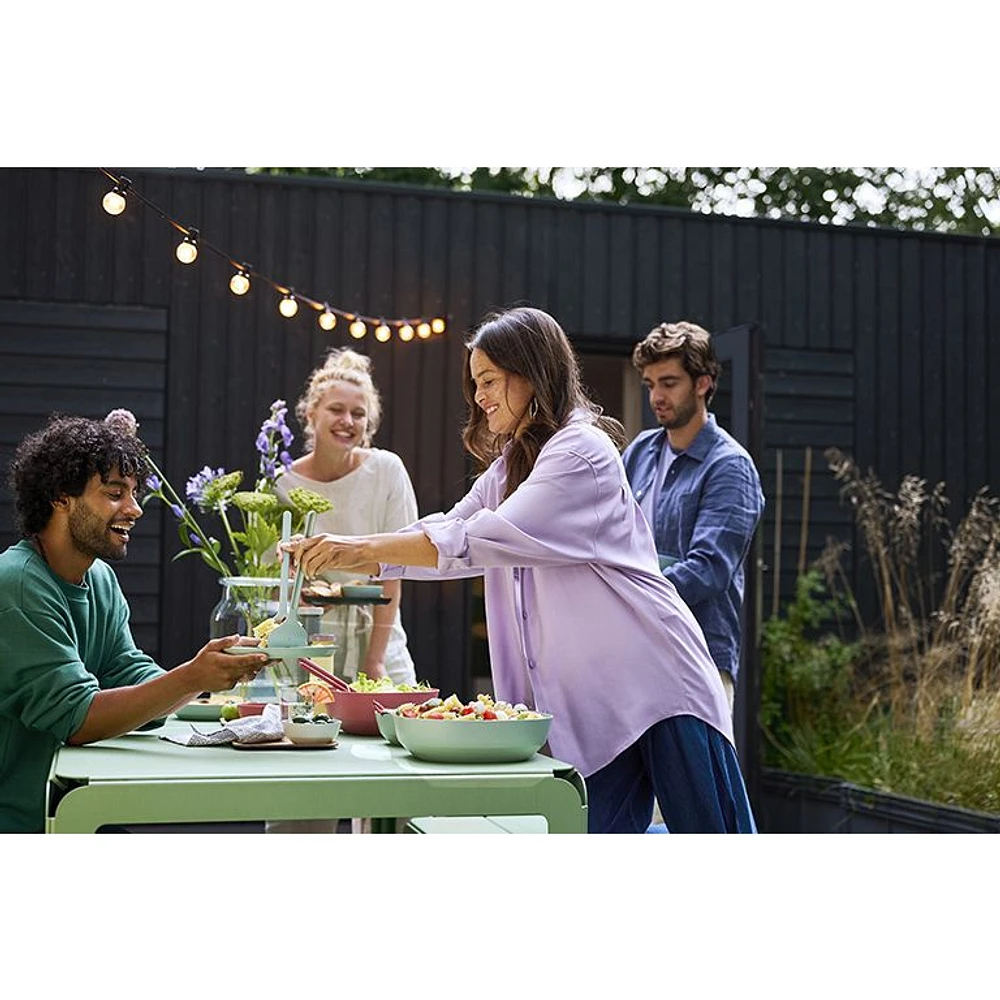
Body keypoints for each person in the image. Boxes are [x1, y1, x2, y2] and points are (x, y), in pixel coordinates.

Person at [284, 306, 757, 834]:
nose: (480, 397)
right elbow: (452, 525)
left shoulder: (580, 453)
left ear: (531, 374)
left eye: (488, 381)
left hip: (660, 683)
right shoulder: (513, 463)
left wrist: (355, 548)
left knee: (716, 839)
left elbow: (478, 539)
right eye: (476, 384)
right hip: (596, 703)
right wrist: (360, 551)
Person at [0, 412, 269, 834]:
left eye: (134, 492)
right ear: (60, 497)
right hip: (21, 823)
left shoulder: (99, 579)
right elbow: (77, 719)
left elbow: (129, 671)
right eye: (114, 493)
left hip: (71, 807)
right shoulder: (17, 585)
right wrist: (190, 679)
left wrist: (213, 686)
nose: (135, 509)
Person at [621, 322, 765, 714]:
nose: (657, 397)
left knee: (698, 776)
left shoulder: (730, 466)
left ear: (703, 384)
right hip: (634, 654)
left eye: (669, 383)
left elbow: (708, 568)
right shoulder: (639, 453)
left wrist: (626, 597)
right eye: (650, 384)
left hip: (697, 655)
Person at [275, 348, 419, 686]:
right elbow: (273, 579)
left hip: (381, 648)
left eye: (358, 413)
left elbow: (396, 568)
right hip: (306, 653)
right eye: (336, 410)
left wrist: (375, 661)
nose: (348, 422)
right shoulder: (281, 483)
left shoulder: (387, 471)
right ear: (311, 414)